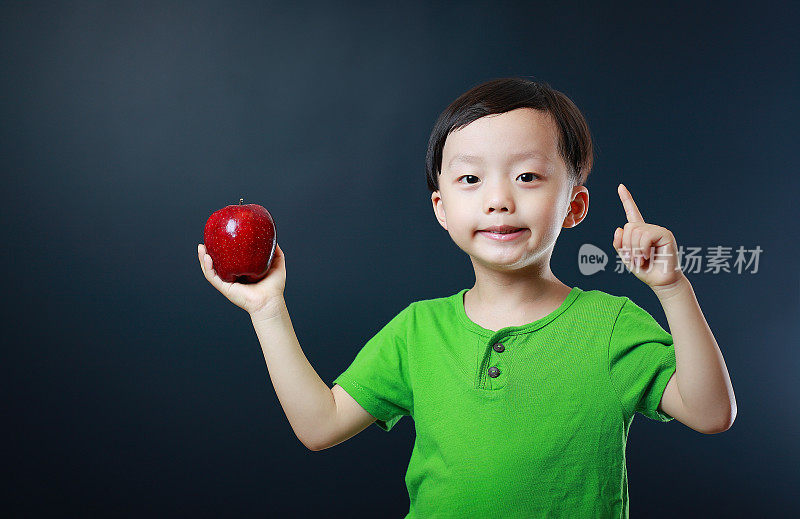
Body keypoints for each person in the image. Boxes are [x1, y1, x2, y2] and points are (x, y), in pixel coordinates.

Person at [197, 77, 737, 518]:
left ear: (575, 206)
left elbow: (711, 413)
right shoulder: (417, 331)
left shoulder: (611, 323)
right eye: (471, 179)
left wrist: (672, 289)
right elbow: (319, 426)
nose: (499, 199)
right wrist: (269, 311)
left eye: (527, 176)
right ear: (441, 207)